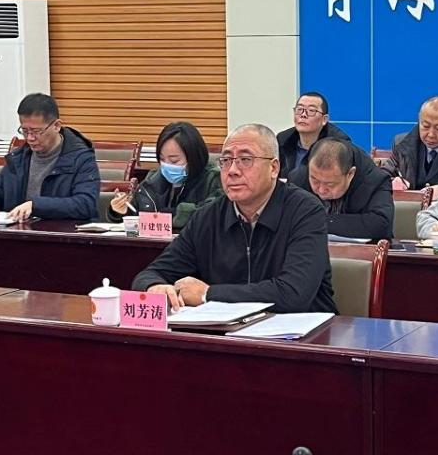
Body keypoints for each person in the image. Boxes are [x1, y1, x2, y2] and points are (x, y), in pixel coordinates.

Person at [131, 124, 337, 313]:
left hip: (304, 334)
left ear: (274, 168)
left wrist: (208, 294)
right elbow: (150, 274)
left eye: (245, 160)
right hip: (229, 334)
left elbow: (293, 294)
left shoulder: (305, 211)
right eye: (226, 161)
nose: (233, 171)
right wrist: (154, 286)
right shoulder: (208, 216)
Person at [0, 93, 99, 221]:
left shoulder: (81, 158)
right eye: (25, 131)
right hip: (19, 230)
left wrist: (36, 206)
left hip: (60, 232)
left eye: (36, 131)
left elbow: (86, 204)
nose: (30, 138)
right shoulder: (19, 158)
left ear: (56, 126)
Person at [107, 121, 222, 230]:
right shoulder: (153, 181)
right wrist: (121, 211)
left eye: (174, 161)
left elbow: (213, 214)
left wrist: (173, 215)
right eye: (162, 159)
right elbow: (136, 214)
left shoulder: (213, 179)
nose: (166, 165)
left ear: (193, 158)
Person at [288, 138, 394, 241]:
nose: (321, 190)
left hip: (362, 251)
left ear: (350, 174)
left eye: (329, 184)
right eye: (315, 180)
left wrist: (318, 221)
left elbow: (381, 224)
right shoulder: (298, 177)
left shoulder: (375, 180)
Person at [381, 96, 438, 194]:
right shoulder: (402, 144)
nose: (431, 134)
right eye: (425, 126)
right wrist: (392, 181)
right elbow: (381, 177)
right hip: (409, 203)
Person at [277, 91, 351, 177]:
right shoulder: (283, 140)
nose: (303, 115)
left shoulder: (339, 143)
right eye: (299, 109)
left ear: (324, 119)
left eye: (311, 110)